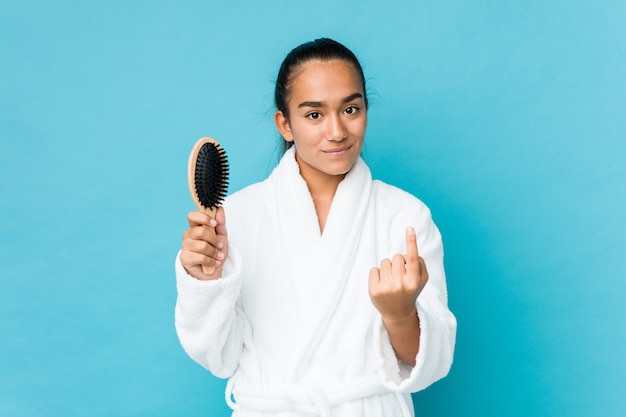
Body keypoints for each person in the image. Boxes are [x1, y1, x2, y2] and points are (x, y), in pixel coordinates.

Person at [175, 38, 456, 417]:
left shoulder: (404, 216)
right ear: (284, 124)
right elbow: (218, 358)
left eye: (351, 109)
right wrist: (205, 285)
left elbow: (430, 365)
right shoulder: (237, 217)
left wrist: (400, 313)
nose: (337, 131)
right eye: (314, 115)